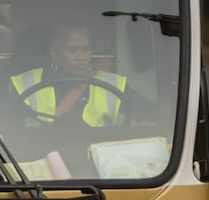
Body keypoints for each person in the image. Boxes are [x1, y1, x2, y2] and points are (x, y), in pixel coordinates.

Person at [8, 22, 140, 127]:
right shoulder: (24, 84)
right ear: (54, 53)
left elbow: (147, 111)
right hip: (40, 159)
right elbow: (10, 132)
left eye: (86, 49)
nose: (80, 57)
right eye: (73, 50)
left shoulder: (113, 84)